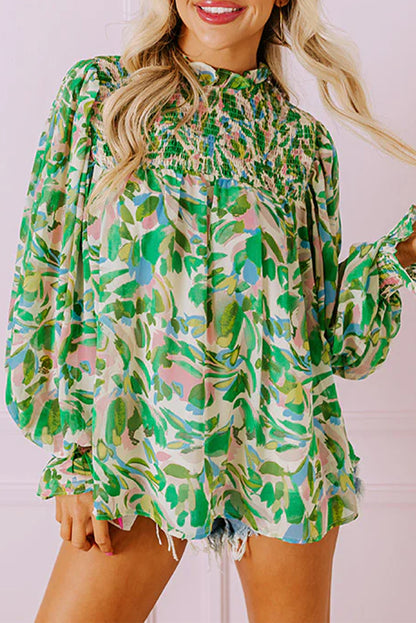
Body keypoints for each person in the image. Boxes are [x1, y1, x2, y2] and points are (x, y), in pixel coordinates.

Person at [5, 1, 416, 622]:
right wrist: (73, 458)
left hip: (280, 449)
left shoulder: (301, 142)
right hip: (132, 450)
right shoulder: (100, 96)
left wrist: (405, 254)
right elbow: (47, 278)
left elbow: (331, 339)